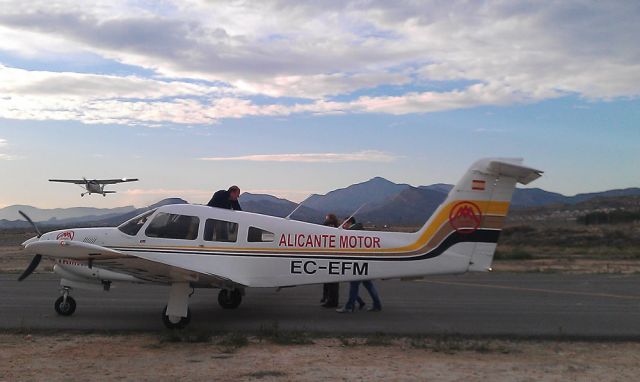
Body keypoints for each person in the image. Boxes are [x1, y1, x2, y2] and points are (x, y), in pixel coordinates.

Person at [337, 216, 382, 313]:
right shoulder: (362, 230)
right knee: (368, 285)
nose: (343, 225)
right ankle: (377, 304)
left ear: (349, 222)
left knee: (354, 285)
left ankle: (350, 306)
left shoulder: (351, 232)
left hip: (357, 262)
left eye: (344, 223)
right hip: (365, 262)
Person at [321, 214, 340, 308]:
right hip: (333, 259)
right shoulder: (338, 229)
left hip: (331, 258)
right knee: (332, 283)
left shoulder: (328, 228)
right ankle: (328, 299)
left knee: (331, 283)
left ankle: (331, 301)